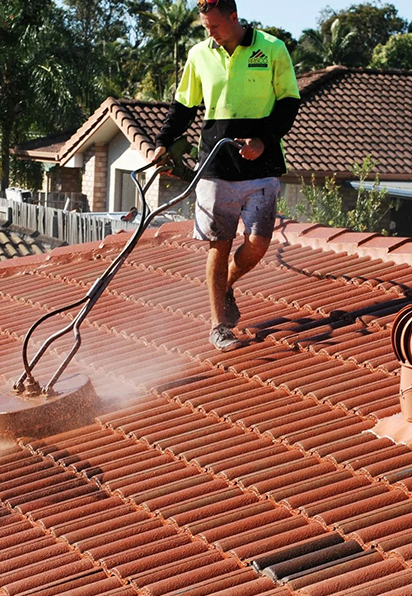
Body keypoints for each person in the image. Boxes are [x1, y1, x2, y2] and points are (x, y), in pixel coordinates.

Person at [153, 0, 300, 351]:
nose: (210, 33)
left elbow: (289, 102)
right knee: (219, 245)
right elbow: (184, 107)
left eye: (215, 26)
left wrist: (264, 141)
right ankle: (219, 325)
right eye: (205, 27)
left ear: (234, 18)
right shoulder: (200, 54)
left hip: (261, 165)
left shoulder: (272, 48)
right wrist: (162, 142)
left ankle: (227, 283)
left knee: (258, 243)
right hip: (215, 167)